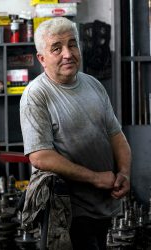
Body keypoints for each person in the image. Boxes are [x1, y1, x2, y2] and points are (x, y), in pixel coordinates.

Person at [19, 17, 131, 250]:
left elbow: (116, 136)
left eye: (72, 44)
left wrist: (124, 173)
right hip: (68, 213)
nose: (68, 54)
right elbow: (40, 156)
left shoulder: (93, 85)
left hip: (106, 204)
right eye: (57, 48)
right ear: (42, 58)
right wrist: (96, 178)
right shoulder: (36, 95)